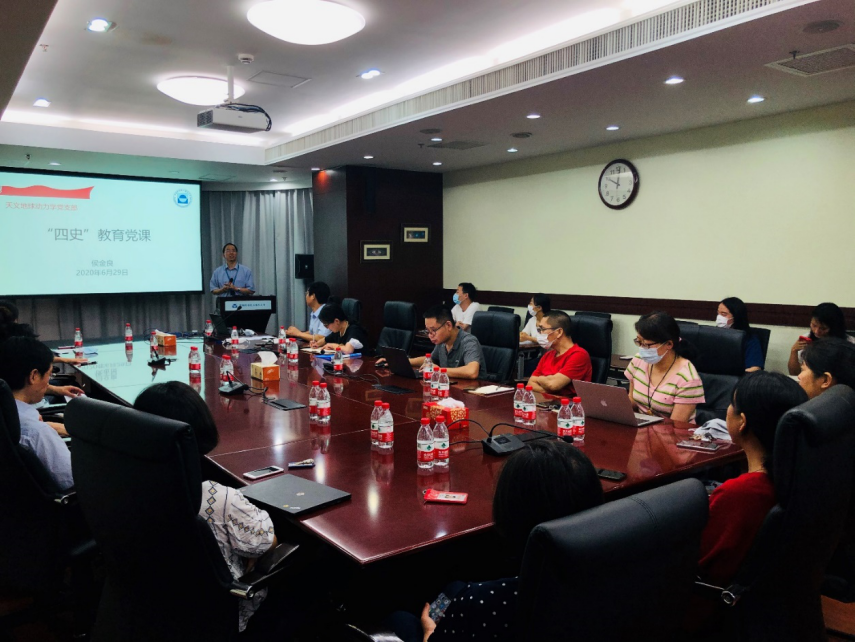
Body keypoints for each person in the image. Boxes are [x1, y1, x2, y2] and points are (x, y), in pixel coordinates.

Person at [388, 440, 604, 642]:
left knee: (400, 619)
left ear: (509, 517)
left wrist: (429, 633)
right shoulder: (610, 580)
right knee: (453, 589)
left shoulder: (481, 603)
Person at [133, 381, 277, 634]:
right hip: (215, 609)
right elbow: (264, 543)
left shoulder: (122, 479)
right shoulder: (217, 498)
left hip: (147, 597)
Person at [696, 372, 807, 603]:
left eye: (731, 404)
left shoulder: (741, 494)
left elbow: (701, 563)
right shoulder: (797, 475)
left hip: (707, 603)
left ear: (742, 422)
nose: (727, 409)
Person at [0, 337, 73, 492]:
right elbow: (74, 481)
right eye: (49, 375)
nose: (48, 382)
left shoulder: (11, 421)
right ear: (33, 376)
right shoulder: (37, 433)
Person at [625, 311, 705, 423]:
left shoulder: (688, 379)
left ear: (669, 344)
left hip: (671, 431)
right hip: (641, 427)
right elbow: (633, 401)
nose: (642, 348)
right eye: (639, 341)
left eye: (646, 344)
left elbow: (675, 426)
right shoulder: (638, 360)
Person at [393, 305, 486, 379]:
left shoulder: (469, 341)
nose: (430, 335)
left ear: (448, 325)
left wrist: (438, 370)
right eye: (428, 331)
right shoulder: (442, 342)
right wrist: (401, 361)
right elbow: (430, 360)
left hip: (472, 392)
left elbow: (472, 372)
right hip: (448, 388)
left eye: (433, 330)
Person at [526, 310, 592, 397]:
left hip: (568, 404)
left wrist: (539, 379)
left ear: (559, 332)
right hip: (545, 402)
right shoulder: (548, 355)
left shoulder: (579, 355)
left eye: (542, 329)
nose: (540, 333)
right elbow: (530, 384)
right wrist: (548, 383)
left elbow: (553, 385)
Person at [788, 302, 852, 375]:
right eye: (814, 325)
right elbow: (794, 374)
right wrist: (794, 351)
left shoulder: (849, 344)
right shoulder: (806, 339)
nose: (816, 331)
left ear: (834, 328)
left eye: (823, 328)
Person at [716, 297, 763, 372]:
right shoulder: (713, 335)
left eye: (724, 314)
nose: (719, 317)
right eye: (718, 313)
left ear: (736, 316)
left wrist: (736, 375)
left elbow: (755, 368)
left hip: (738, 377)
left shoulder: (750, 339)